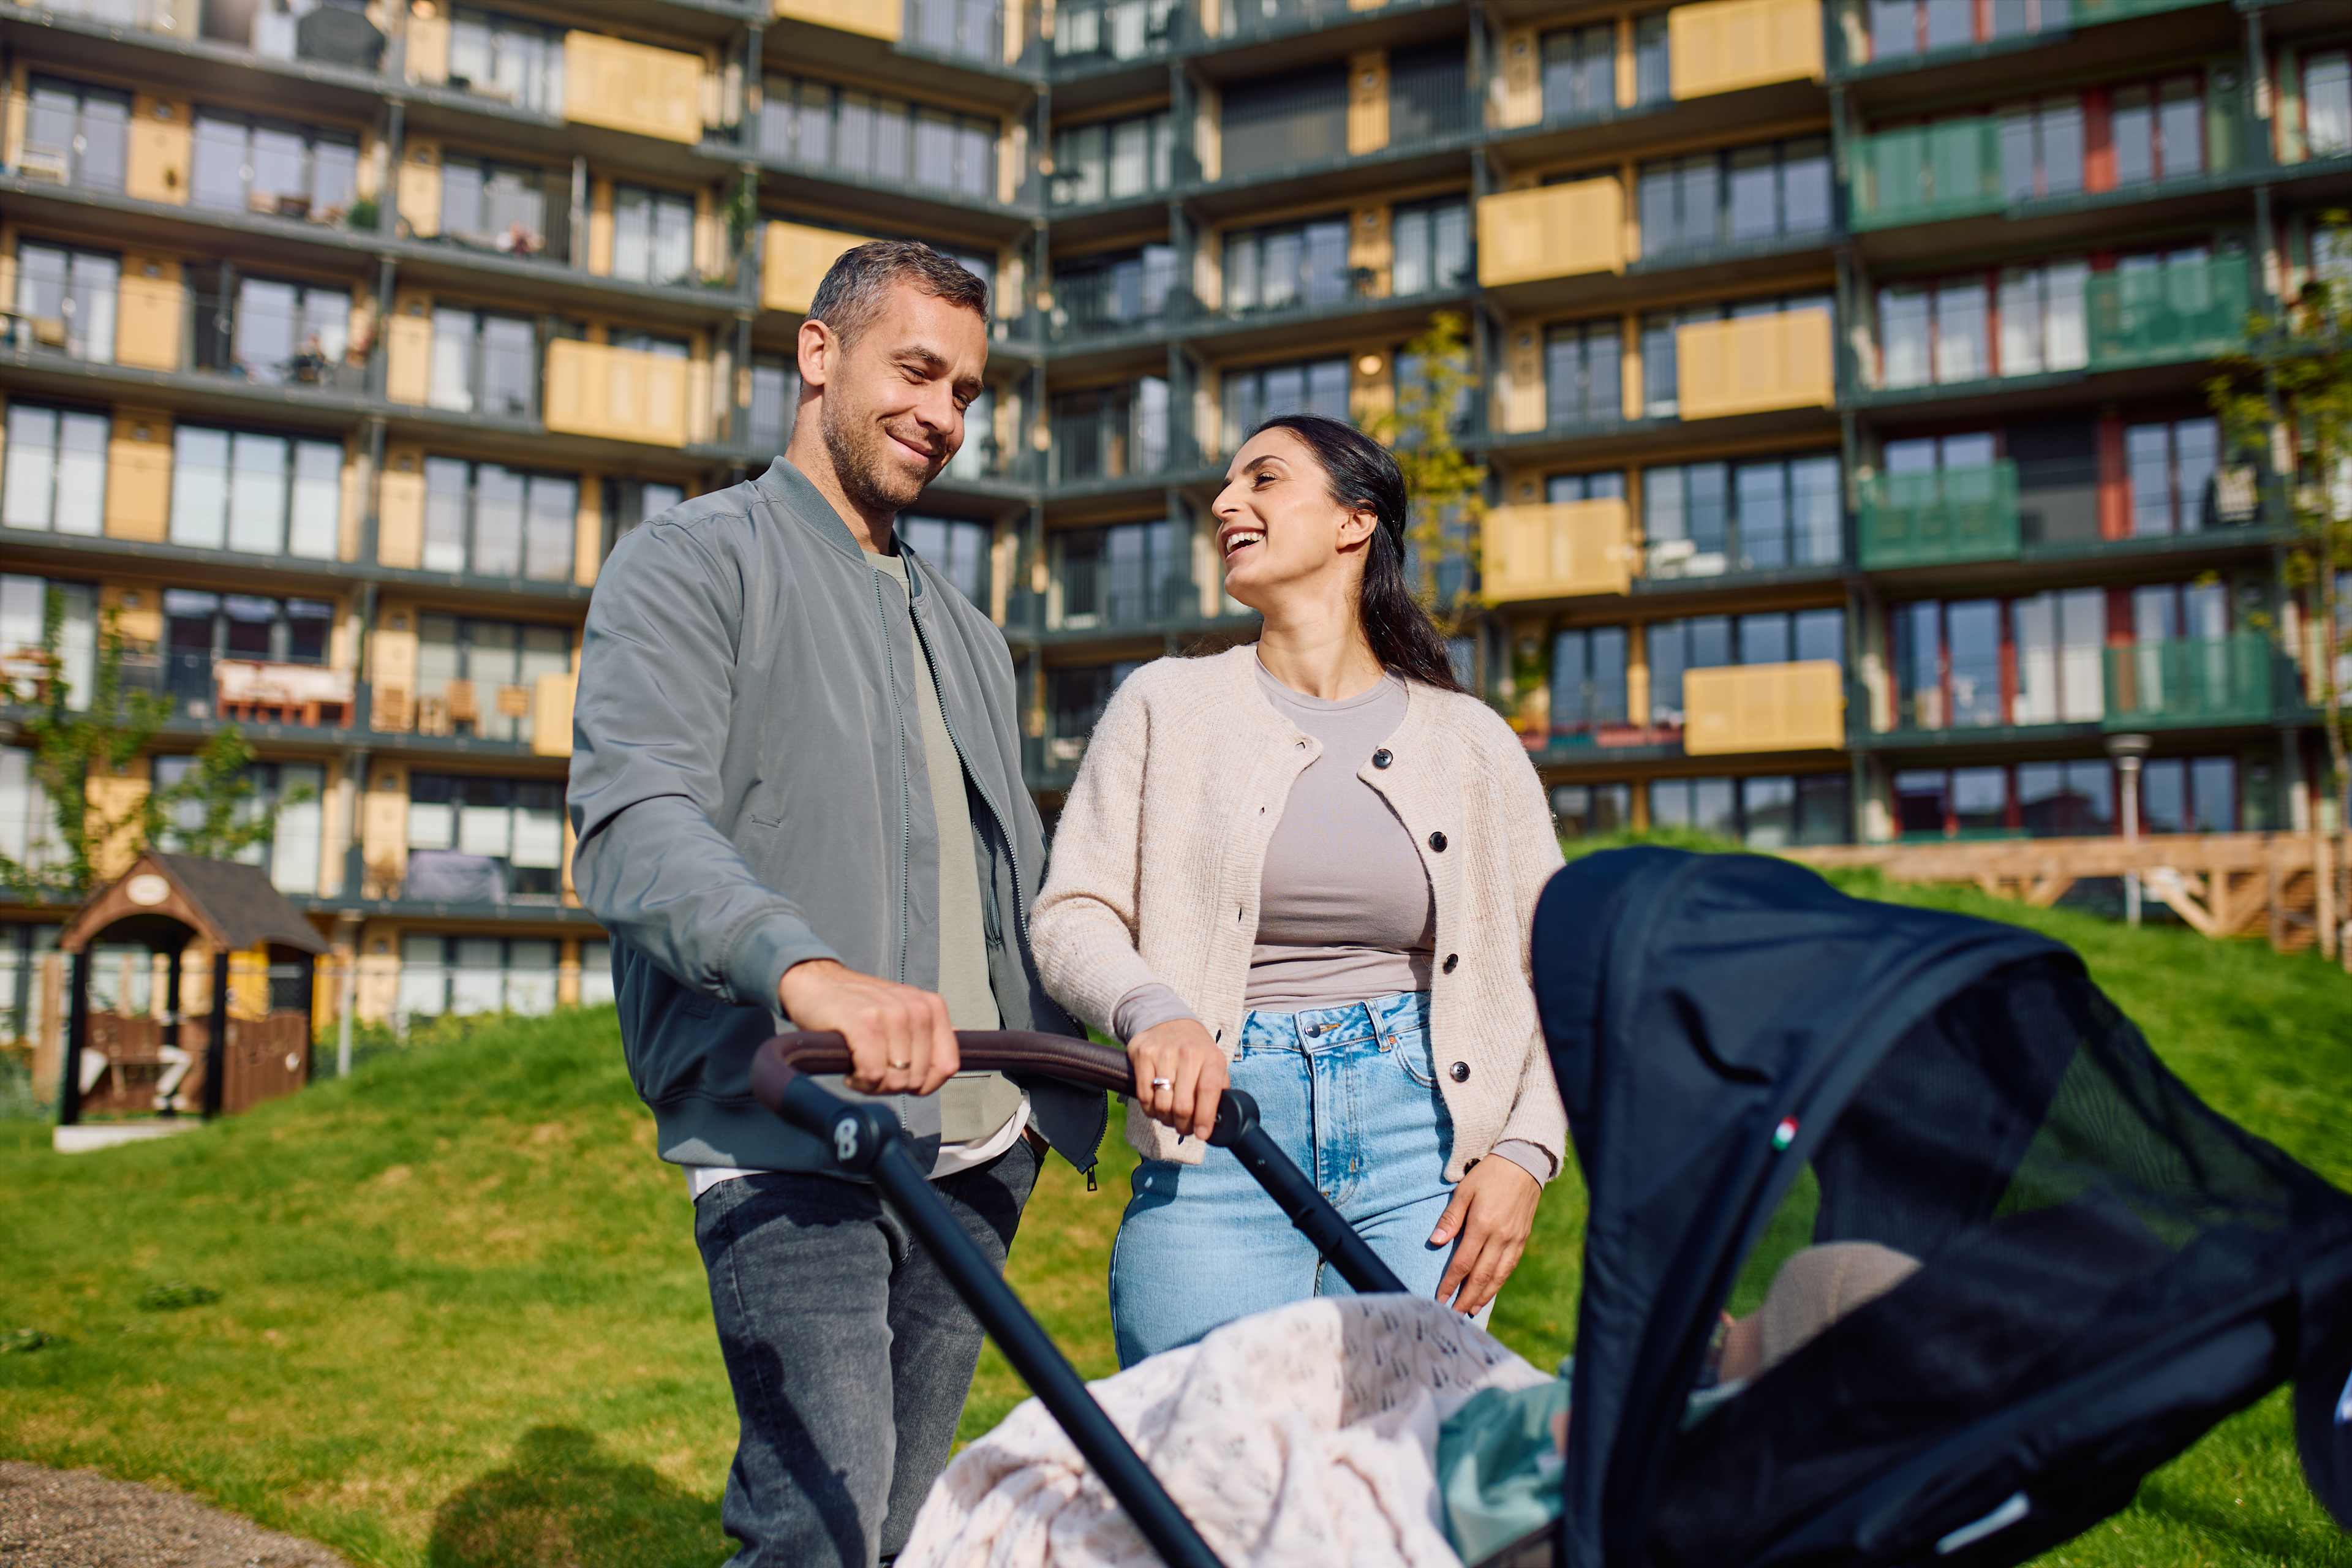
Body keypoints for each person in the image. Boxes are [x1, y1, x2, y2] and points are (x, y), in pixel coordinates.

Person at [567, 240, 1106, 1568]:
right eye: (916, 370)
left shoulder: (967, 630)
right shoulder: (693, 563)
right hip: (794, 1123)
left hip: (978, 1149)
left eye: (968, 390)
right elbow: (636, 823)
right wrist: (807, 972)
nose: (944, 414)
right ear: (820, 354)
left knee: (899, 1528)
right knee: (819, 1519)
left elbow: (1013, 886)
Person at [1031, 413, 1568, 1367]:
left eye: (1264, 480)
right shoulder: (1166, 705)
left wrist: (1526, 1154)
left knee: (1403, 1469)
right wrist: (1153, 1008)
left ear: (1354, 523)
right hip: (1218, 1139)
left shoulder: (1472, 741)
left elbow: (1563, 971)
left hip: (1423, 1151)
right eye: (1226, 488)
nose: (1226, 503)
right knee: (1200, 1471)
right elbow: (1074, 911)